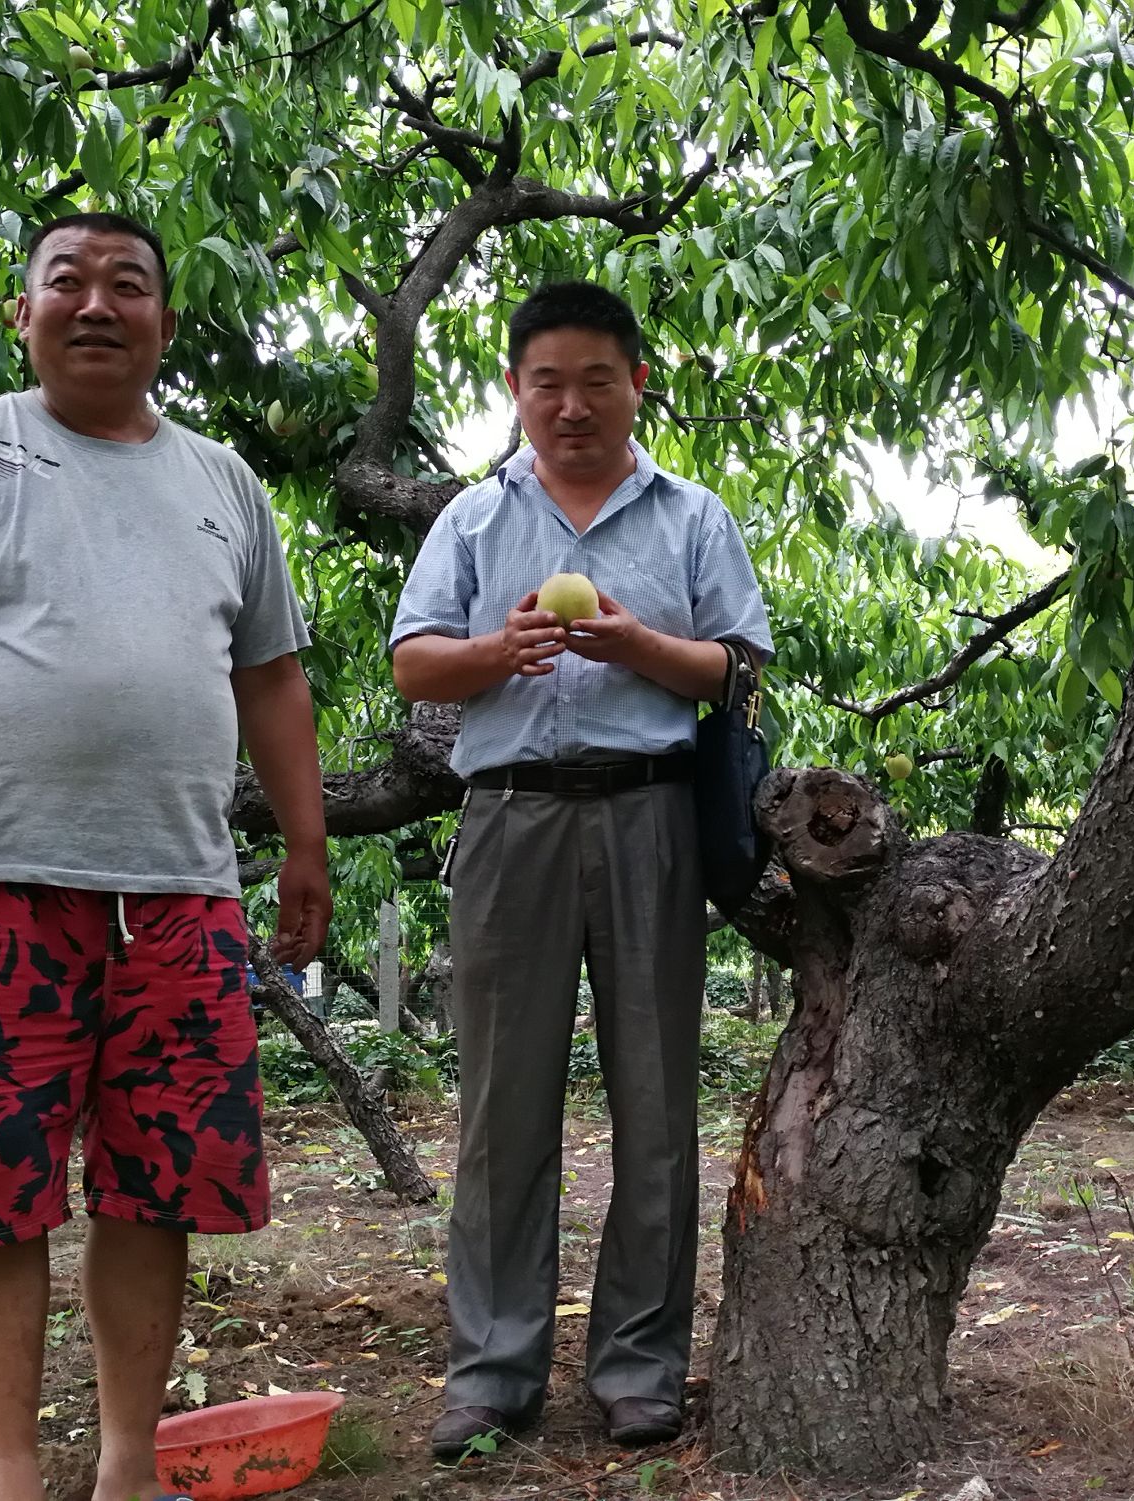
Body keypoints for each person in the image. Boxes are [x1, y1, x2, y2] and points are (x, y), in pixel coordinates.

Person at [0, 210, 330, 1501]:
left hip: (177, 892)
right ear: (24, 314)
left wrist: (303, 842)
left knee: (153, 1183)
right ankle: (8, 1473)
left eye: (129, 285)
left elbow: (271, 677)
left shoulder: (222, 481)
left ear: (166, 325)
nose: (97, 303)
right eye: (67, 281)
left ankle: (125, 1465)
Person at [389, 281, 772, 1460]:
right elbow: (414, 666)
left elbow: (733, 672)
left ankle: (638, 1367)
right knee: (502, 1109)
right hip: (509, 820)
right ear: (514, 390)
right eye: (545, 382)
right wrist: (498, 651)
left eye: (595, 380)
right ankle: (492, 1370)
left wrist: (634, 643)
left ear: (636, 383)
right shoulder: (469, 519)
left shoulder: (689, 517)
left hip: (649, 816)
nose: (570, 405)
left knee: (654, 1104)